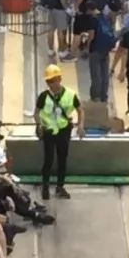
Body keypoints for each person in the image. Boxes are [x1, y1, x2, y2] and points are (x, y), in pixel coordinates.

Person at [35, 64, 84, 200]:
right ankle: (45, 186)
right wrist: (39, 125)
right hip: (49, 131)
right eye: (49, 81)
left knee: (62, 159)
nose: (52, 84)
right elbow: (37, 112)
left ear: (60, 79)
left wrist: (81, 125)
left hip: (64, 130)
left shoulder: (70, 95)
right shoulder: (43, 96)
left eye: (54, 80)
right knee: (48, 159)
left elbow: (80, 109)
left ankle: (60, 186)